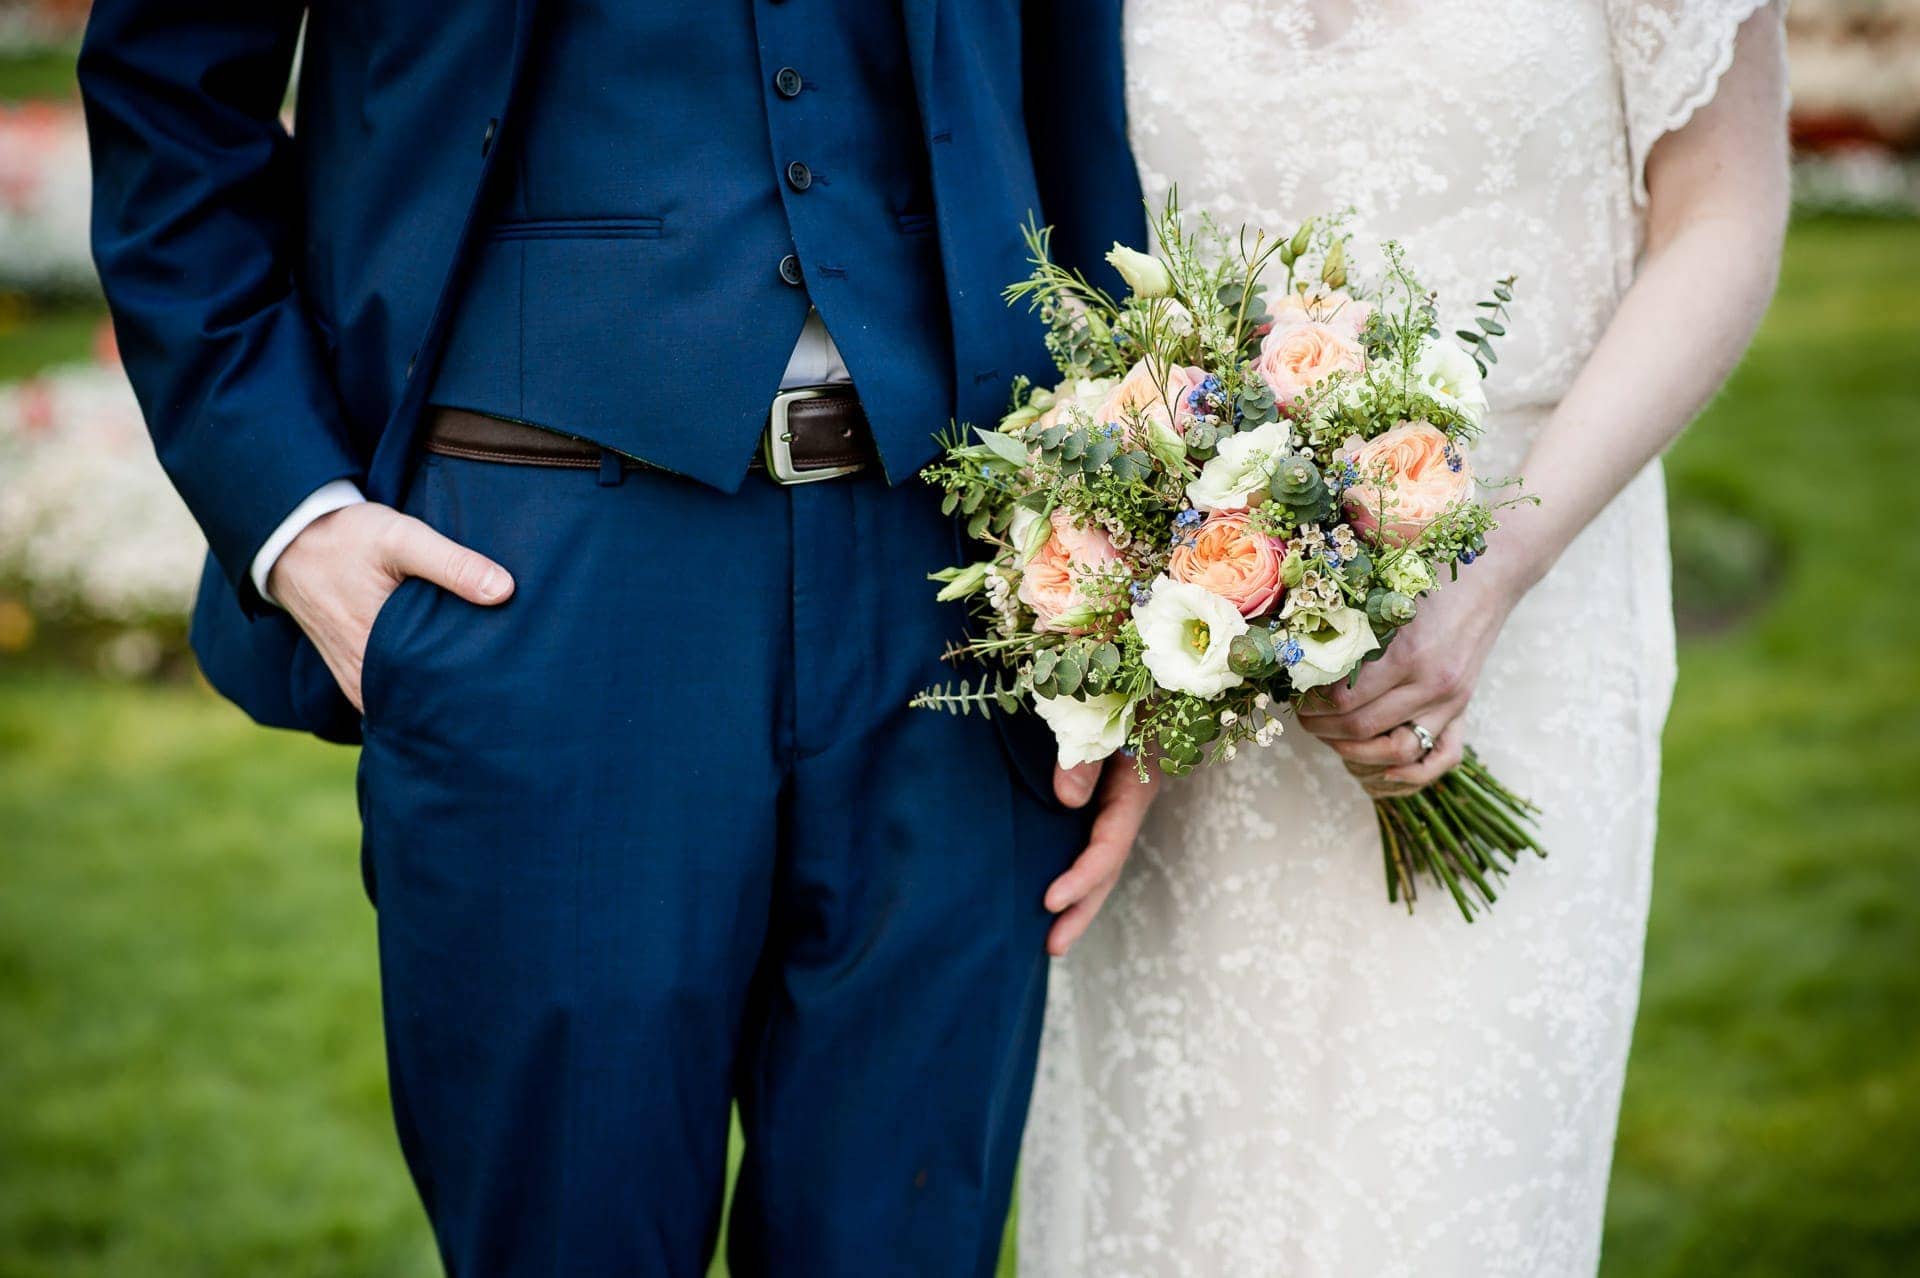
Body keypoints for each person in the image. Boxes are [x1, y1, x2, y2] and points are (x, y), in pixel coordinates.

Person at [77, 2, 1157, 1273]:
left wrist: (1129, 604)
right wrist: (295, 519)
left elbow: (1075, 129)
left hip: (956, 579)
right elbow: (166, 86)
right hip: (540, 584)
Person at [1020, 3, 1790, 1274]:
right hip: (1196, 671)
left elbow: (1722, 213)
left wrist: (1493, 573)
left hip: (1528, 599)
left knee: (1440, 1203)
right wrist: (1141, 622)